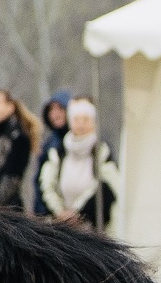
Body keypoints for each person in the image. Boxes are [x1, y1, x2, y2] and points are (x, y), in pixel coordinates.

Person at [37, 98, 119, 230]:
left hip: (95, 227)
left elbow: (109, 184)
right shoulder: (58, 152)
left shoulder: (102, 151)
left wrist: (78, 212)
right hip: (61, 226)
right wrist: (59, 212)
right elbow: (46, 184)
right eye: (76, 119)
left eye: (86, 119)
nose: (81, 124)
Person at [28, 91, 73, 215]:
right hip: (48, 213)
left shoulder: (78, 143)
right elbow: (40, 181)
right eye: (51, 109)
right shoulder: (49, 144)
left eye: (60, 109)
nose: (55, 114)